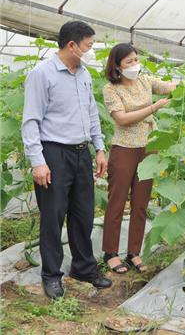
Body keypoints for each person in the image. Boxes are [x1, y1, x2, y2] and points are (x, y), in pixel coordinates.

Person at [22, 21, 112, 299]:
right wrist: (38, 161)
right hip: (54, 153)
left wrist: (99, 147)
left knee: (83, 214)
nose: (91, 52)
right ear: (72, 46)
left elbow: (92, 113)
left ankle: (83, 267)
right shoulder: (42, 74)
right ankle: (51, 275)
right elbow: (31, 121)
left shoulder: (83, 74)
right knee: (53, 215)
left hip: (81, 152)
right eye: (88, 46)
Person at [101, 43, 185, 273]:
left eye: (136, 59)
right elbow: (122, 119)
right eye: (129, 61)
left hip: (149, 149)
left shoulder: (145, 80)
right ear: (117, 65)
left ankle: (134, 253)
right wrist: (154, 108)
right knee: (117, 202)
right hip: (124, 148)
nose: (134, 64)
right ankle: (110, 253)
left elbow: (170, 86)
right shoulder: (111, 89)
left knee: (141, 203)